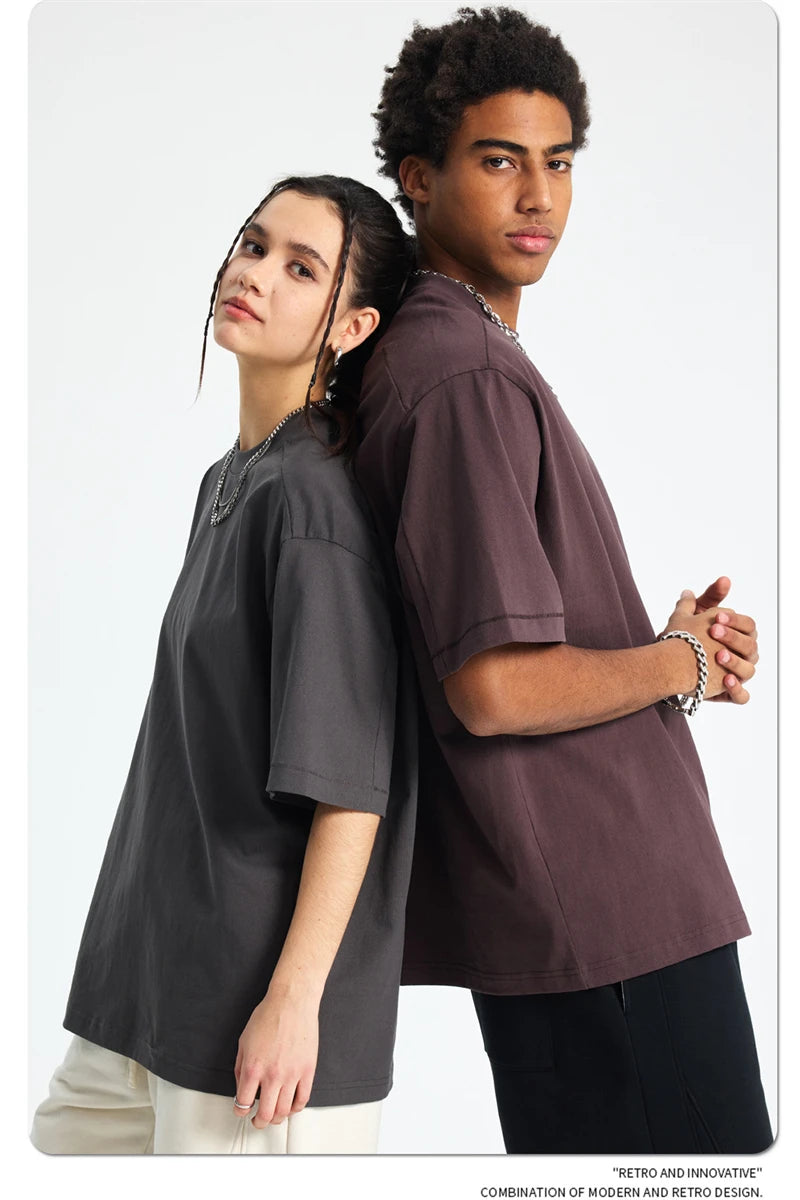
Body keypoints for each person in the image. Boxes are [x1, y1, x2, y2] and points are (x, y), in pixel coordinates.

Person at [354, 7, 773, 1154]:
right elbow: (491, 686)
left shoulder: (454, 356)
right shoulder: (459, 376)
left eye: (558, 162)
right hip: (607, 918)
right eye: (498, 161)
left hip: (598, 915)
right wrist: (675, 662)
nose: (537, 196)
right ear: (418, 177)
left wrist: (668, 655)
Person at [30, 174, 417, 1155]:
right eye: (253, 245)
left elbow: (351, 789)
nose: (255, 274)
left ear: (352, 327)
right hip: (150, 990)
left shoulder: (313, 503)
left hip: (251, 1031)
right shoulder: (234, 478)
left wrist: (292, 1002)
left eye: (301, 268)